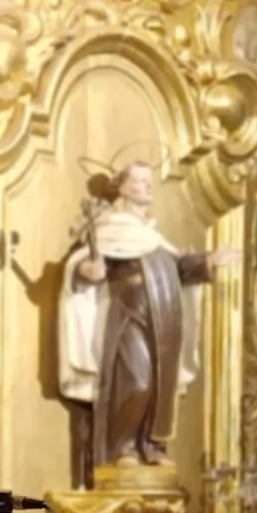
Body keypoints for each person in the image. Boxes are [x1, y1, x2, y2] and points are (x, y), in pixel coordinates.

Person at [54, 158, 218, 483]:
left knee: (159, 385)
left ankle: (148, 446)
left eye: (149, 180)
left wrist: (208, 262)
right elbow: (82, 264)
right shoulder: (109, 226)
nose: (148, 186)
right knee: (136, 380)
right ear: (122, 186)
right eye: (140, 180)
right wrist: (88, 271)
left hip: (163, 314)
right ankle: (121, 448)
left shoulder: (150, 235)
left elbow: (178, 268)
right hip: (129, 313)